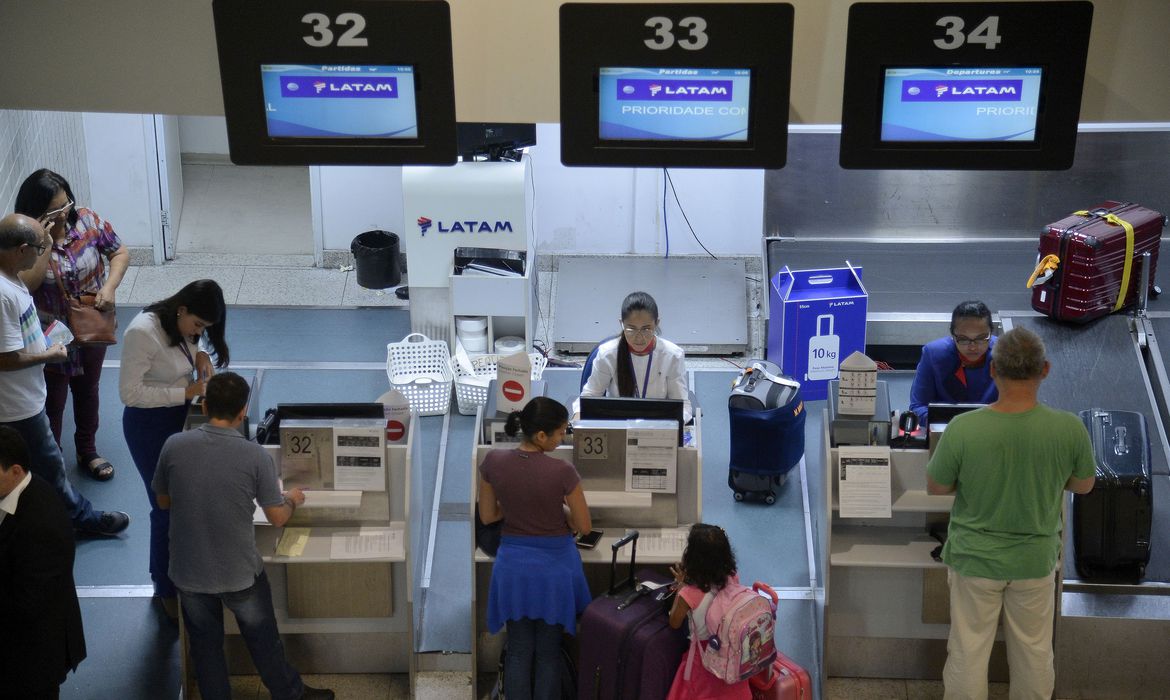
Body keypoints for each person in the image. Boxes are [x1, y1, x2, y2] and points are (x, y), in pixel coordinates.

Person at [926, 327, 1096, 699]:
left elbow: (937, 487)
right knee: (1034, 652)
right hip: (1034, 561)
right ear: (1045, 370)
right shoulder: (1069, 429)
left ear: (992, 370)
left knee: (968, 651)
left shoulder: (963, 428)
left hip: (974, 559)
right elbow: (1084, 485)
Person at [152, 372, 333, 700]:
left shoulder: (173, 445)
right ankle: (290, 694)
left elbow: (163, 501)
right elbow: (277, 517)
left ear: (204, 405)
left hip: (189, 574)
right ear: (243, 411)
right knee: (264, 642)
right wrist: (293, 497)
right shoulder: (254, 456)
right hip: (240, 573)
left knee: (206, 651)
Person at [0, 213, 129, 536]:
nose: (43, 254)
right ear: (22, 249)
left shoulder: (11, 278)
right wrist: (50, 354)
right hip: (19, 405)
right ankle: (81, 520)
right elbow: (6, 358)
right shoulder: (3, 294)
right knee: (52, 467)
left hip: (24, 397)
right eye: (40, 248)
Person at [120, 278, 228, 616]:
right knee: (165, 507)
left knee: (189, 503)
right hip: (149, 426)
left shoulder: (181, 324)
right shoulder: (141, 332)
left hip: (179, 418)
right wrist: (184, 392)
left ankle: (188, 575)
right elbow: (130, 394)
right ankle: (164, 587)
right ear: (181, 309)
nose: (198, 332)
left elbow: (188, 347)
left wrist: (202, 356)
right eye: (197, 325)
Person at [14, 168, 131, 481]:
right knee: (53, 398)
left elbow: (119, 252)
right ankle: (53, 460)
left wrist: (109, 288)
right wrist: (46, 243)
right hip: (51, 335)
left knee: (88, 389)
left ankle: (87, 449)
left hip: (92, 326)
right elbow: (27, 285)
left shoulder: (88, 220)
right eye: (54, 209)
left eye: (66, 204)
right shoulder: (25, 239)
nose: (64, 213)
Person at [478, 397, 592, 700]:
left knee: (518, 650)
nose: (563, 438)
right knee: (548, 653)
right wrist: (562, 514)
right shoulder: (563, 471)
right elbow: (584, 526)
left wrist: (514, 508)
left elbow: (488, 515)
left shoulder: (492, 462)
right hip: (555, 572)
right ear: (541, 436)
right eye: (560, 433)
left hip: (513, 569)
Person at [0, 426, 87, 700]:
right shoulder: (18, 490)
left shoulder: (41, 524)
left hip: (32, 657)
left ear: (15, 470)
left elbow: (29, 602)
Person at [666, 523, 751, 700]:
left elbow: (674, 622)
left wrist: (682, 587)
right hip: (732, 651)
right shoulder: (732, 576)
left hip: (704, 655)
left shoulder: (689, 593)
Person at [579, 290, 692, 421]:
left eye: (646, 329)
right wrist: (579, 416)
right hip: (619, 426)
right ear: (621, 323)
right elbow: (589, 396)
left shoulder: (673, 356)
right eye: (631, 329)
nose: (639, 337)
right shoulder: (608, 354)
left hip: (658, 427)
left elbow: (682, 405)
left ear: (657, 323)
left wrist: (672, 426)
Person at [909, 300, 999, 427]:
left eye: (981, 338)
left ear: (991, 332)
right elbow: (917, 407)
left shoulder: (1005, 354)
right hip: (945, 432)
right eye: (963, 339)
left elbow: (1017, 406)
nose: (972, 347)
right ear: (952, 335)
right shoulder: (933, 354)